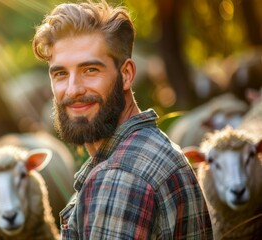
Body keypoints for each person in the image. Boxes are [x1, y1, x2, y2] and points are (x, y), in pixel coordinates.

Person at [32, 1, 213, 239]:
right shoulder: (153, 148)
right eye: (60, 74)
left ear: (126, 75)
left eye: (90, 70)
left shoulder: (121, 178)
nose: (72, 89)